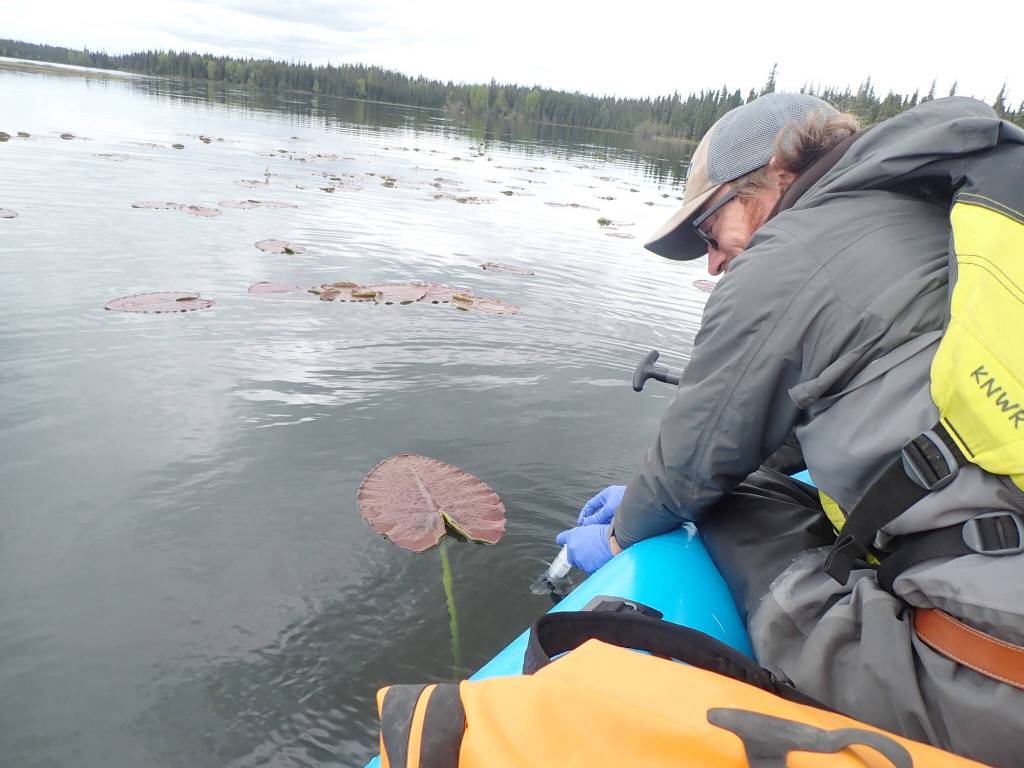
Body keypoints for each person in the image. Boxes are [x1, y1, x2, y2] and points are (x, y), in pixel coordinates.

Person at [555, 92, 1024, 766]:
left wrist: (622, 531)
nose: (713, 262)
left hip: (986, 685)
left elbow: (689, 469)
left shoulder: (790, 252)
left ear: (772, 180)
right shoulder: (938, 213)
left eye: (710, 231)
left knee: (723, 509)